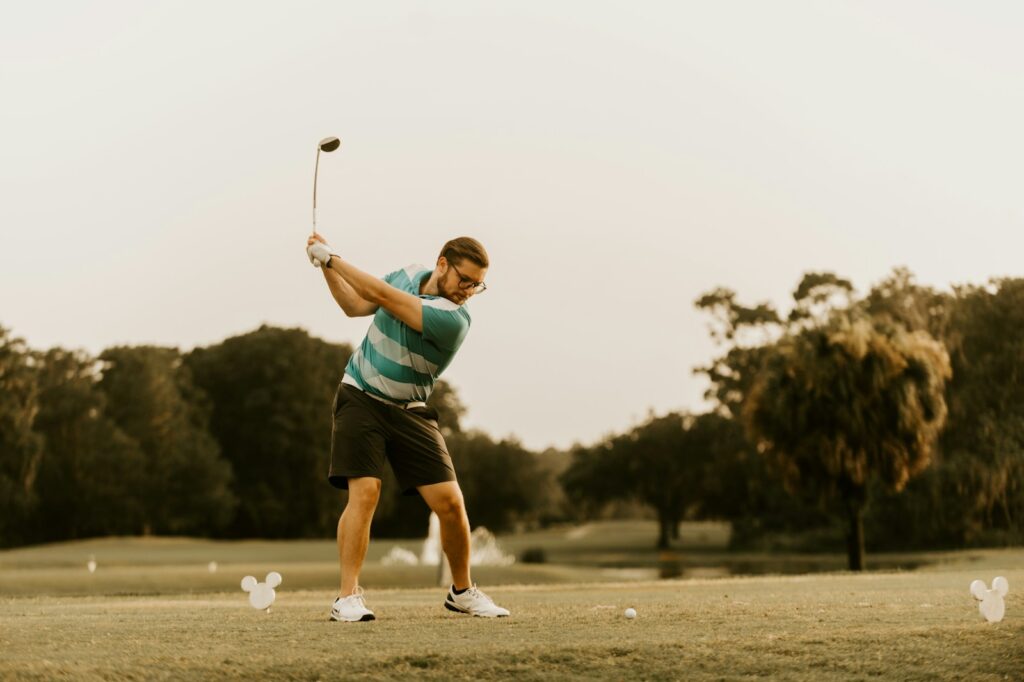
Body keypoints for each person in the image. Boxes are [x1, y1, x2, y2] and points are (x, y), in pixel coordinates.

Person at [306, 234, 510, 622]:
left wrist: (332, 258)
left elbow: (383, 296)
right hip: (360, 395)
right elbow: (355, 304)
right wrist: (326, 268)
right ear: (442, 264)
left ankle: (462, 591)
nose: (468, 291)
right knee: (365, 492)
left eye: (476, 285)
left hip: (410, 409)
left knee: (450, 503)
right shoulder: (409, 274)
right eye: (465, 280)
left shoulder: (454, 319)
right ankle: (347, 597)